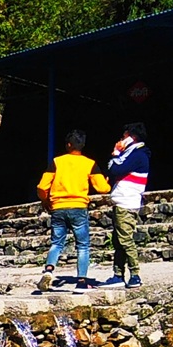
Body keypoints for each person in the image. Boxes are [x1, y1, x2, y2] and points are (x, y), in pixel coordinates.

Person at [36, 129, 109, 293]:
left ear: (68, 145)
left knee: (56, 243)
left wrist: (45, 199)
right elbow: (102, 188)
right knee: (82, 246)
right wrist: (106, 182)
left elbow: (42, 186)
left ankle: (49, 270)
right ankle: (81, 282)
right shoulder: (89, 163)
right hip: (78, 207)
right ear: (82, 145)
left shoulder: (57, 162)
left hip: (58, 208)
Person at [102, 122, 149, 287]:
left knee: (125, 239)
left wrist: (115, 154)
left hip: (127, 202)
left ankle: (135, 274)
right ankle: (118, 274)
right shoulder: (130, 153)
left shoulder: (138, 155)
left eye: (124, 136)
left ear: (132, 137)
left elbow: (114, 169)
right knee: (118, 240)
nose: (121, 140)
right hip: (121, 201)